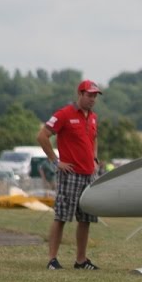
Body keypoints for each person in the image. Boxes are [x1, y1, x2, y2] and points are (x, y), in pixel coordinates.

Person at [37, 80, 102, 270]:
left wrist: (95, 159)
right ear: (80, 94)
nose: (92, 99)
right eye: (89, 95)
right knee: (61, 217)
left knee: (85, 219)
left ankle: (81, 260)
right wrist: (56, 161)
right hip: (70, 173)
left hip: (89, 174)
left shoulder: (93, 117)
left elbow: (94, 138)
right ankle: (52, 259)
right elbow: (42, 136)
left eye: (95, 96)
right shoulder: (64, 114)